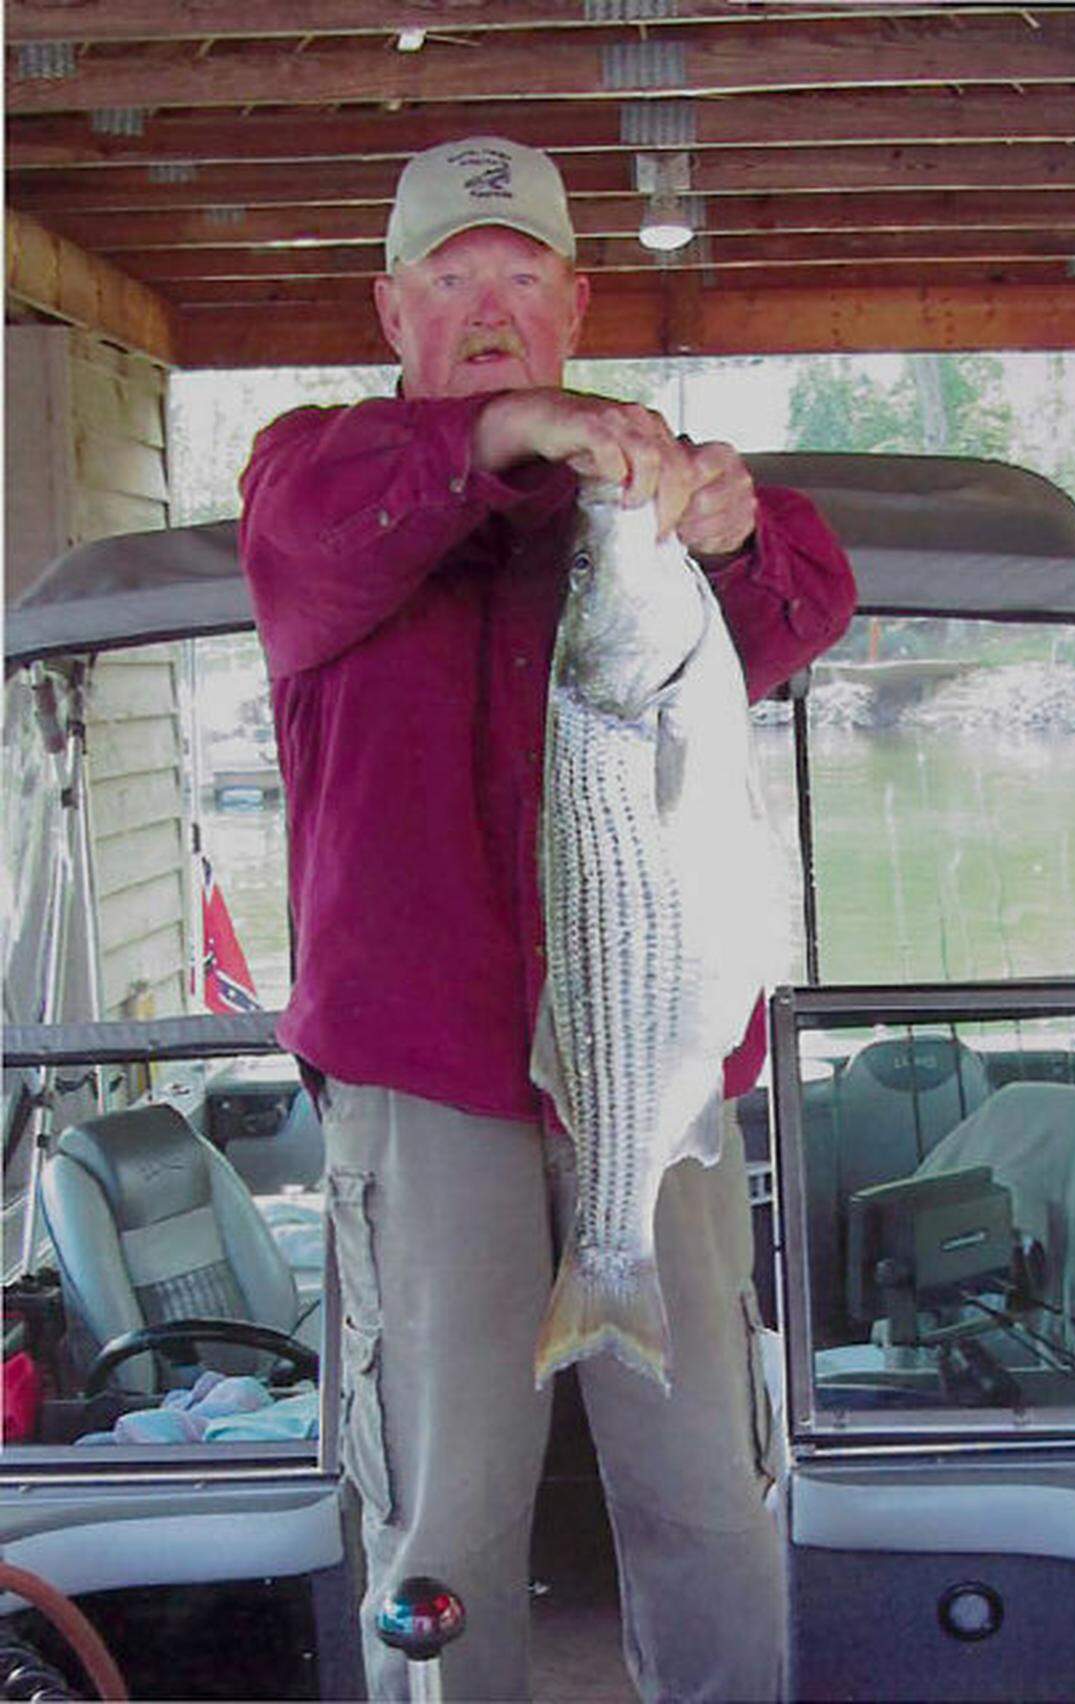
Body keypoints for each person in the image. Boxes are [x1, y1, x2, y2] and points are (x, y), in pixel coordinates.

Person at [240, 135, 857, 1703]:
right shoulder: (320, 482)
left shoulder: (638, 523)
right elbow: (323, 523)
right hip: (428, 1086)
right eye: (454, 281)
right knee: (444, 1511)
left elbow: (803, 605)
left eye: (522, 278)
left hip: (656, 1069)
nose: (491, 307)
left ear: (577, 298)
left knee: (709, 1492)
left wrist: (719, 530)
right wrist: (530, 430)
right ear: (394, 309)